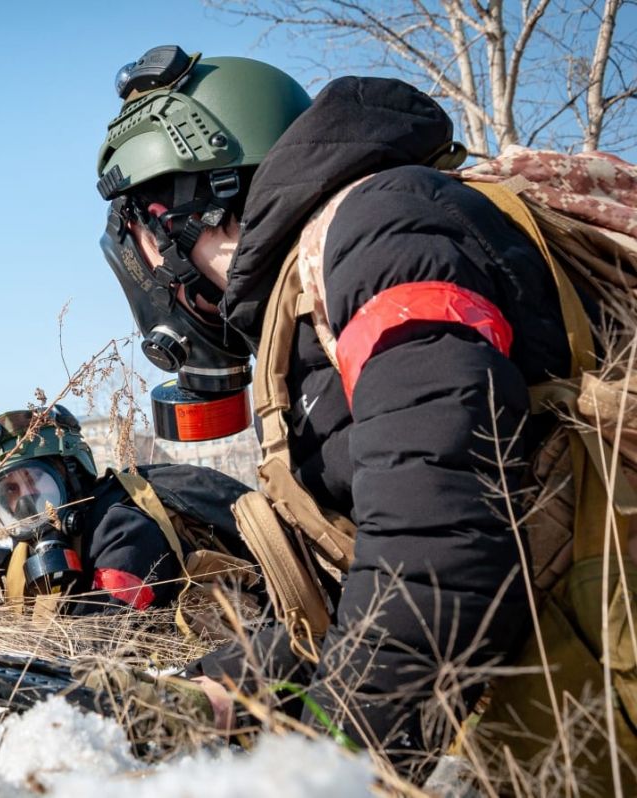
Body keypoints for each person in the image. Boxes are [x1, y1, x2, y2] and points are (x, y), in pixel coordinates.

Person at [95, 46, 582, 781]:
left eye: (137, 234)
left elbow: (439, 544)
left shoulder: (376, 232)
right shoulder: (322, 283)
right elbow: (355, 588)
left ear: (173, 210)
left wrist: (324, 762)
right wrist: (224, 694)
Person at [0, 405, 260, 620]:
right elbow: (27, 616)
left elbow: (97, 635)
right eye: (10, 491)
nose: (27, 499)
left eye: (35, 479)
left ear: (71, 473)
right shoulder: (35, 548)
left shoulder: (122, 527)